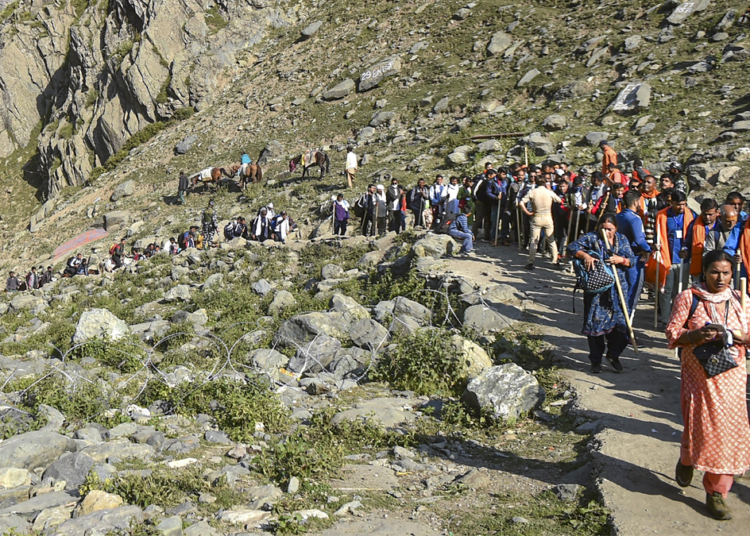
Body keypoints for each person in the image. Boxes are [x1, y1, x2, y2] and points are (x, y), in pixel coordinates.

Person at [665, 250, 750, 520]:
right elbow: (672, 333)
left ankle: (717, 492)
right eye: (715, 272)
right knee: (699, 426)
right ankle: (687, 458)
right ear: (704, 272)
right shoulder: (689, 298)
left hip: (733, 379)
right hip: (699, 379)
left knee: (727, 433)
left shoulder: (740, 299)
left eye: (725, 273)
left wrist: (736, 336)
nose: (720, 278)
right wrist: (695, 335)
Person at [568, 214, 635, 373]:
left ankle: (613, 355)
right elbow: (572, 247)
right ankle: (596, 360)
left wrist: (621, 260)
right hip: (598, 290)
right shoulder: (592, 238)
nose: (606, 232)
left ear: (616, 228)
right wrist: (585, 256)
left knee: (622, 326)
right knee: (595, 324)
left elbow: (632, 260)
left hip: (618, 289)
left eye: (609, 229)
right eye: (603, 228)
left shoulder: (622, 240)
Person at [651, 190, 695, 324]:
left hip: (683, 260)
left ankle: (678, 318)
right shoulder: (662, 215)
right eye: (678, 204)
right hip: (667, 258)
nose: (681, 207)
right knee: (666, 290)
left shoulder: (691, 215)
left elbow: (693, 236)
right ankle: (665, 319)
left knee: (680, 291)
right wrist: (655, 244)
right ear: (672, 202)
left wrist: (688, 250)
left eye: (683, 204)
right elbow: (656, 234)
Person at [617, 191, 652, 314]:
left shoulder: (618, 216)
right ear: (636, 202)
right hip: (634, 258)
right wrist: (649, 250)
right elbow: (639, 240)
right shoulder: (635, 219)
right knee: (633, 289)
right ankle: (627, 316)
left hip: (619, 256)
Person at [520, 175, 561, 270]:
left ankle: (530, 262)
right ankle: (555, 261)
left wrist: (527, 212)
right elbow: (559, 200)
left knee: (534, 240)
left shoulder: (532, 192)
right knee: (551, 240)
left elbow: (521, 202)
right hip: (547, 216)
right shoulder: (549, 192)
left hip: (536, 216)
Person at [686, 199, 719, 282]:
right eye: (704, 214)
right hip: (699, 265)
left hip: (717, 265)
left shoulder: (721, 224)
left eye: (710, 214)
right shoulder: (694, 224)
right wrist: (685, 250)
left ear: (717, 212)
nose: (707, 217)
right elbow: (687, 243)